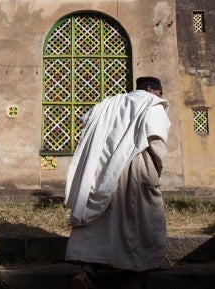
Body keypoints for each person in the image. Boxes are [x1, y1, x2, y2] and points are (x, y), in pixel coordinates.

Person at [64, 76, 171, 289]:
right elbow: (156, 140)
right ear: (151, 89)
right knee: (140, 214)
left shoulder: (108, 104)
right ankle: (140, 266)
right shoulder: (151, 103)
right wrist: (156, 166)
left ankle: (88, 271)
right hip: (137, 163)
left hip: (101, 166)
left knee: (101, 220)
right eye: (160, 93)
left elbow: (88, 126)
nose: (161, 97)